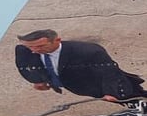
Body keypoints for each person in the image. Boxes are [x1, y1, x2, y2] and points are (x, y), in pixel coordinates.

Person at [14, 29, 146, 102]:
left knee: (131, 97)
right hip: (76, 84)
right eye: (31, 47)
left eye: (41, 46)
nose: (35, 50)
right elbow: (25, 65)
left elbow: (109, 72)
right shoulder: (25, 51)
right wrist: (39, 80)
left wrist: (110, 92)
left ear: (57, 40)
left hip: (94, 83)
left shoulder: (89, 51)